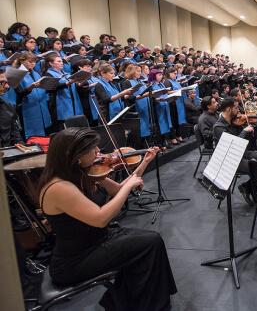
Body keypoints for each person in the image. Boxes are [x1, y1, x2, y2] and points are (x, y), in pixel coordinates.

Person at [38, 128, 176, 310]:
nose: (98, 152)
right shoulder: (59, 187)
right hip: (76, 260)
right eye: (93, 149)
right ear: (75, 155)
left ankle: (134, 302)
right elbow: (101, 218)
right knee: (150, 242)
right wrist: (130, 187)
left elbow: (118, 189)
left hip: (96, 241)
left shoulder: (82, 172)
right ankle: (151, 305)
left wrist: (145, 162)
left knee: (149, 242)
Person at [212, 98, 257, 205]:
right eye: (236, 108)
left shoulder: (235, 121)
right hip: (230, 159)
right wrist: (244, 131)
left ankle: (247, 188)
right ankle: (251, 190)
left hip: (242, 152)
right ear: (228, 109)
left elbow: (247, 137)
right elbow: (233, 144)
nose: (239, 110)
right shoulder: (218, 127)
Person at [14, 53, 52, 139]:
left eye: (34, 62)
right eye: (30, 61)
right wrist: (31, 87)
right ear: (22, 61)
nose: (33, 64)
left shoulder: (36, 73)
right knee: (32, 134)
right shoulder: (17, 74)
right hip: (27, 107)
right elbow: (19, 93)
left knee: (45, 133)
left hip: (41, 105)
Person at [44, 53, 83, 131]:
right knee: (63, 128)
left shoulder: (66, 73)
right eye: (58, 61)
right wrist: (68, 83)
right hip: (59, 104)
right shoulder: (48, 74)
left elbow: (72, 85)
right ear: (51, 63)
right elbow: (52, 87)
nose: (61, 63)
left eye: (61, 61)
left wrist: (79, 83)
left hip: (71, 103)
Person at [0, 70, 22, 146]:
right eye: (2, 83)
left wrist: (19, 143)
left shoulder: (8, 106)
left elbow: (15, 133)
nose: (7, 86)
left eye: (7, 82)